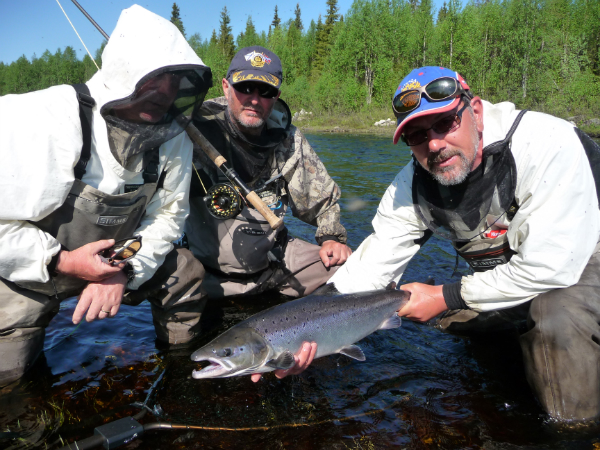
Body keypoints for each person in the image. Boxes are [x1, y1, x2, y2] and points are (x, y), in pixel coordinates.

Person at [330, 66, 600, 422]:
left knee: (555, 316)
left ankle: (574, 430)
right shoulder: (410, 183)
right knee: (407, 306)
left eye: (445, 124)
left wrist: (445, 296)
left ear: (474, 111)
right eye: (416, 135)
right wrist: (315, 324)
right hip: (507, 273)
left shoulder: (547, 141)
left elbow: (550, 267)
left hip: (578, 263)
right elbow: (372, 265)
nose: (434, 144)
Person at [0, 5, 212, 386]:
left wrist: (125, 271)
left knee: (185, 273)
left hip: (116, 263)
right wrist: (62, 261)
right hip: (28, 270)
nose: (165, 92)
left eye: (175, 79)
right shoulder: (41, 118)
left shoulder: (173, 133)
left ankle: (183, 377)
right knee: (11, 383)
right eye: (156, 76)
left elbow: (168, 217)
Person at [184, 46, 352, 379]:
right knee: (169, 277)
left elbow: (321, 200)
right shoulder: (191, 129)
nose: (254, 98)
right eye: (245, 87)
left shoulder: (287, 139)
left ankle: (328, 344)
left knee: (348, 271)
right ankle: (175, 354)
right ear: (226, 86)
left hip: (272, 262)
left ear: (276, 96)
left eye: (266, 91)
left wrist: (332, 235)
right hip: (208, 275)